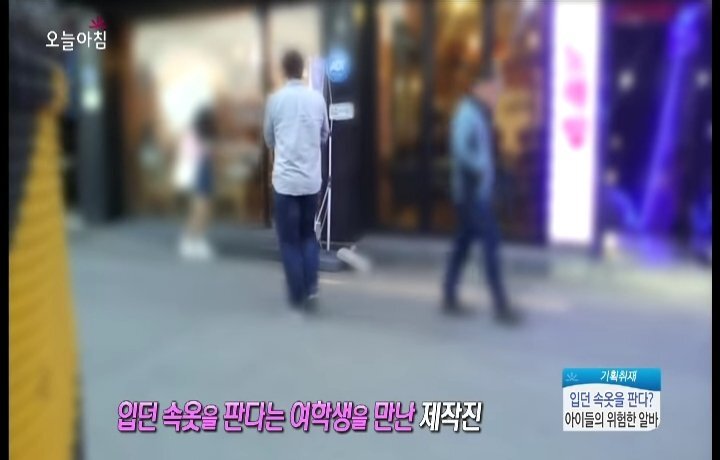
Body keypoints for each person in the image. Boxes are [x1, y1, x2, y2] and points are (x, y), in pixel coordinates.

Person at [442, 72, 521, 325]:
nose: (496, 96)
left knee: (463, 244)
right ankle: (501, 305)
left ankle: (449, 296)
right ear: (479, 88)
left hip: (474, 193)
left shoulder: (477, 113)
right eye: (493, 91)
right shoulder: (467, 114)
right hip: (471, 194)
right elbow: (460, 148)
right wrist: (480, 169)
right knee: (491, 242)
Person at [263, 50, 329, 312]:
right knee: (308, 237)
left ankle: (297, 294)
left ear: (283, 70)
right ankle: (311, 289)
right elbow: (324, 135)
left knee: (289, 240)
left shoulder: (275, 101)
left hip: (285, 183)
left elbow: (269, 139)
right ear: (303, 70)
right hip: (311, 181)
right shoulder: (317, 100)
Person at [175, 106, 217, 261]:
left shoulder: (198, 133)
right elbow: (191, 154)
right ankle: (189, 240)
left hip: (203, 170)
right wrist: (207, 149)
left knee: (204, 209)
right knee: (199, 209)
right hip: (199, 171)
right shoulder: (193, 134)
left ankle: (197, 239)